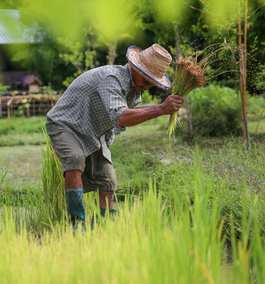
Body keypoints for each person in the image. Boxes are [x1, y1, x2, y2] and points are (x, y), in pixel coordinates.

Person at [46, 44, 183, 229]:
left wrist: (161, 109)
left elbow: (119, 117)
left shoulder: (134, 90)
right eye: (145, 80)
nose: (146, 86)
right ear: (135, 68)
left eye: (151, 83)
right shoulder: (112, 78)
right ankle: (77, 226)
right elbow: (122, 117)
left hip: (92, 132)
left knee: (108, 179)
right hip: (65, 124)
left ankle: (104, 226)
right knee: (75, 158)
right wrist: (160, 109)